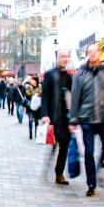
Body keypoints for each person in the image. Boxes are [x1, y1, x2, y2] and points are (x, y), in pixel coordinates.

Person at [69, 43, 104, 197]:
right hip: (86, 119)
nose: (92, 54)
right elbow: (75, 98)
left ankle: (99, 171)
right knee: (89, 152)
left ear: (99, 53)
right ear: (86, 54)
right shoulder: (80, 74)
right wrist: (73, 120)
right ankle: (91, 183)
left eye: (95, 52)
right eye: (89, 52)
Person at [40, 49, 72, 185]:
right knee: (53, 145)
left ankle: (59, 173)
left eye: (67, 56)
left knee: (64, 146)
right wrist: (45, 114)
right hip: (53, 116)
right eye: (62, 56)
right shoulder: (50, 75)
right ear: (57, 58)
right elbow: (45, 96)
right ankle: (46, 169)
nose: (65, 59)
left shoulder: (70, 76)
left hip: (66, 118)